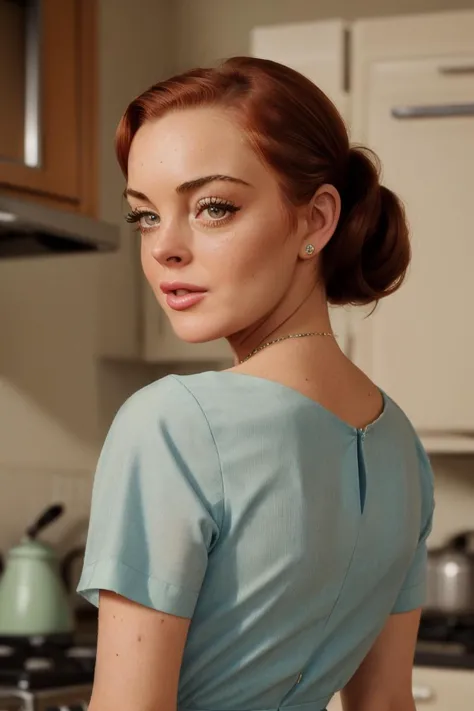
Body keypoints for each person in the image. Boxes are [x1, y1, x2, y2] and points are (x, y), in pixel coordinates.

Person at [78, 56, 434, 711]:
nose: (164, 249)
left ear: (316, 220)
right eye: (146, 215)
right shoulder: (400, 445)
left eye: (213, 207)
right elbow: (386, 703)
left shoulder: (172, 423)